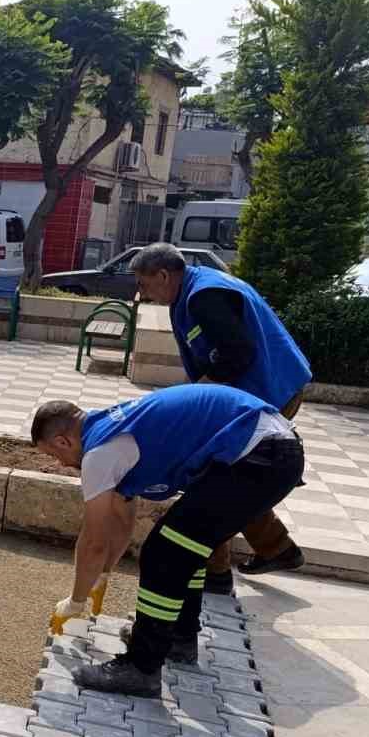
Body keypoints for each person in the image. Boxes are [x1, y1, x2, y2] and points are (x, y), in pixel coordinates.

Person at [31, 385, 306, 697]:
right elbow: (121, 520)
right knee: (184, 548)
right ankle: (178, 637)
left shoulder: (99, 453)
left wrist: (76, 601)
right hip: (270, 449)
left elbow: (93, 539)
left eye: (55, 455)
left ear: (63, 440)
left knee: (163, 554)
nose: (61, 464)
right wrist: (102, 575)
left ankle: (141, 668)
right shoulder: (114, 427)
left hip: (260, 456)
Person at [133, 242, 310, 588]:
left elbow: (236, 354)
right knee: (231, 478)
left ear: (164, 275)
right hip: (255, 390)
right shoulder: (190, 291)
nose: (141, 292)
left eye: (143, 282)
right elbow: (209, 357)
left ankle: (215, 573)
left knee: (215, 479)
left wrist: (196, 400)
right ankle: (275, 548)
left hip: (270, 388)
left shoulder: (205, 296)